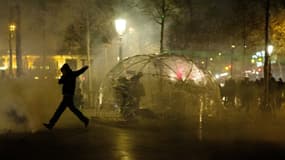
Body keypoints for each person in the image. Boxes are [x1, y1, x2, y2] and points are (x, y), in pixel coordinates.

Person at [43, 63, 89, 130]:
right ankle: (85, 120)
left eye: (63, 71)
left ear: (66, 70)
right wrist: (85, 67)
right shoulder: (71, 74)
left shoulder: (68, 75)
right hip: (68, 96)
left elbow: (60, 82)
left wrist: (85, 68)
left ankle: (51, 124)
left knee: (59, 111)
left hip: (68, 96)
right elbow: (80, 71)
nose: (63, 72)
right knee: (72, 110)